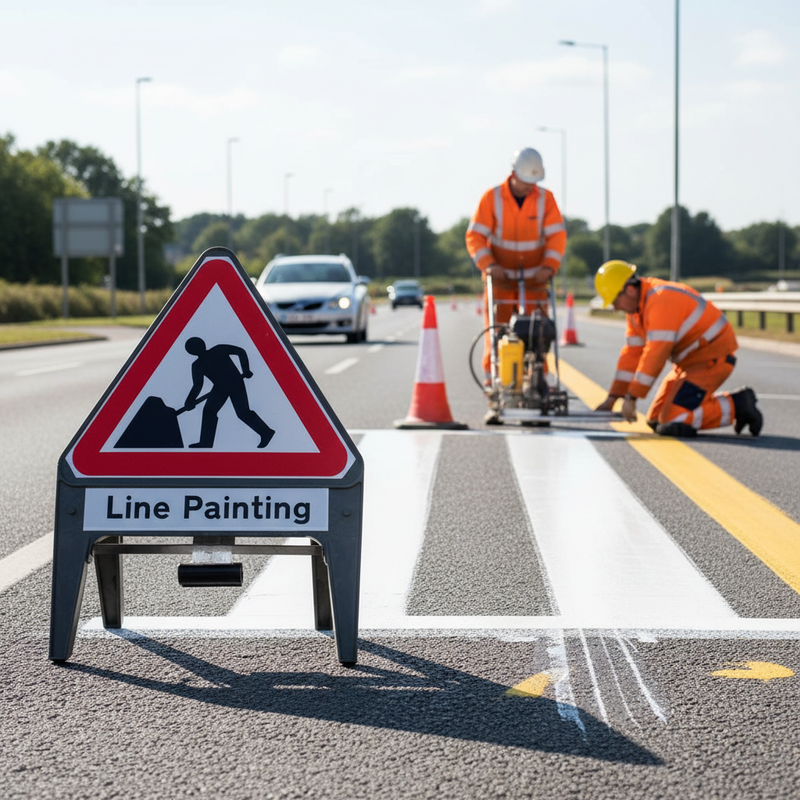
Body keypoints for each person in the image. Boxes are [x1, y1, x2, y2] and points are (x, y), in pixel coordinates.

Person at [594, 260, 763, 437]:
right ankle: (733, 406)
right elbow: (632, 354)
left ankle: (739, 405)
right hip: (690, 363)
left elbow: (656, 354)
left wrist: (632, 397)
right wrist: (613, 398)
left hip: (712, 357)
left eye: (614, 300)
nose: (615, 307)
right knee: (656, 420)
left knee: (672, 422)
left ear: (629, 290)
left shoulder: (660, 300)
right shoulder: (637, 312)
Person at [465, 147, 567, 405]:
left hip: (535, 280)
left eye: (533, 182)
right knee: (498, 331)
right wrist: (488, 264)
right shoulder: (492, 198)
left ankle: (538, 379)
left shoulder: (546, 199)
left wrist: (549, 266)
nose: (528, 187)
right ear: (513, 174)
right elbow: (475, 236)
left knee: (537, 331)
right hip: (499, 279)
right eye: (524, 182)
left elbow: (556, 236)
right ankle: (494, 385)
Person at [183, 337, 275, 449]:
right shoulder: (198, 364)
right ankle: (206, 442)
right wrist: (190, 400)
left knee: (242, 412)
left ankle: (266, 432)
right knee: (209, 411)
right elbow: (198, 385)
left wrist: (245, 369)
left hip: (235, 383)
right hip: (220, 388)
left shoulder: (217, 350)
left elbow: (240, 351)